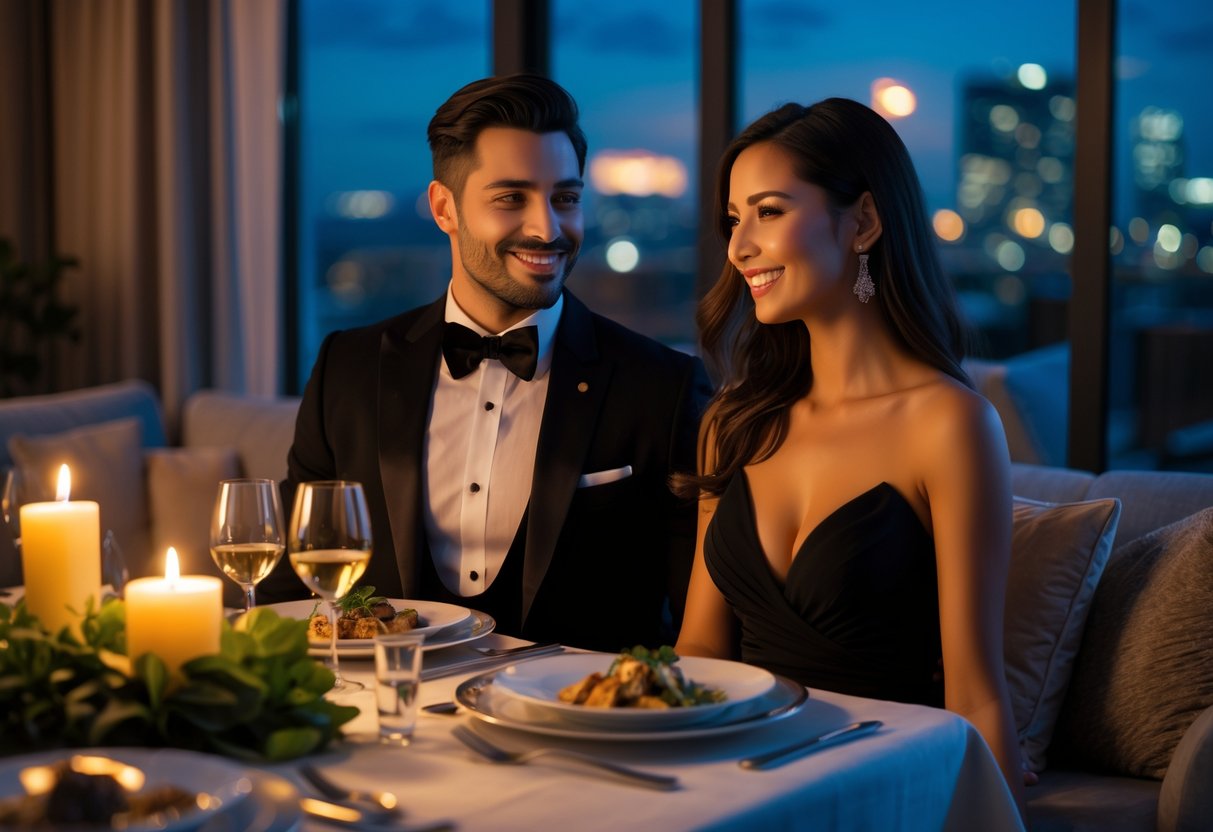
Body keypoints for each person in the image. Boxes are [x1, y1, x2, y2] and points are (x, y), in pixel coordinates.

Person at [263, 74, 712, 653]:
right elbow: (290, 584)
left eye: (566, 199)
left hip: (580, 730)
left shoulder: (663, 387)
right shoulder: (347, 368)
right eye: (511, 198)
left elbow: (697, 626)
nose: (548, 228)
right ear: (444, 208)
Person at [673, 98, 1026, 814]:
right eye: (733, 219)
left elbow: (974, 692)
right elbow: (699, 653)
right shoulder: (735, 423)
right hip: (732, 787)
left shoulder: (949, 425)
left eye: (768, 211)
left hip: (877, 790)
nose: (738, 247)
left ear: (862, 220)